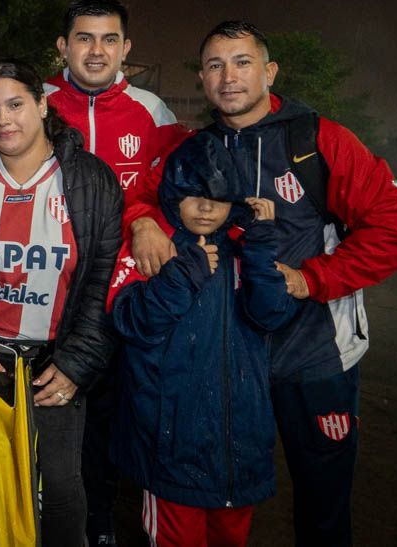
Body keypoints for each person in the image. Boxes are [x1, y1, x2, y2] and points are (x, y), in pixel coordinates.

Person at [129, 21, 397, 546]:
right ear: (202, 77)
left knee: (323, 508)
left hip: (314, 359)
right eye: (215, 65)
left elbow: (396, 232)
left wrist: (314, 279)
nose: (229, 76)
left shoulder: (318, 140)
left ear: (269, 71)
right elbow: (144, 195)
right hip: (227, 365)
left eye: (242, 62)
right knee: (227, 504)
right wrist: (143, 220)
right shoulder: (193, 149)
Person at [0, 59, 123, 546]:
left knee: (58, 489)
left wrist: (77, 363)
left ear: (42, 104)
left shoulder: (90, 179)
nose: (3, 120)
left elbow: (103, 279)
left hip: (54, 364)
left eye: (15, 105)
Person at [45, 0, 189, 545]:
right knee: (54, 414)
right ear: (64, 45)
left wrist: (145, 220)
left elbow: (177, 190)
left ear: (127, 48)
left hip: (123, 294)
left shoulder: (154, 112)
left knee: (113, 420)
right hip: (52, 290)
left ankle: (102, 525)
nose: (97, 51)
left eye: (110, 39)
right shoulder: (36, 102)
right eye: (84, 38)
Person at [108, 132, 295, 547]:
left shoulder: (243, 249)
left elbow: (271, 315)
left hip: (239, 448)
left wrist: (262, 250)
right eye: (194, 194)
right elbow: (128, 322)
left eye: (220, 196)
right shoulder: (152, 245)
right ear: (173, 192)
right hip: (171, 449)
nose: (208, 207)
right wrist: (179, 279)